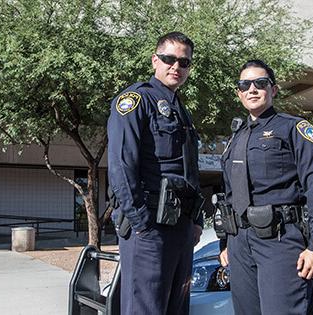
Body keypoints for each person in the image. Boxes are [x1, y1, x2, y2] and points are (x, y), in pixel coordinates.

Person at [217, 59, 313, 314]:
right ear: (239, 92)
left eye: (260, 83)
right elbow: (228, 194)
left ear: (274, 89)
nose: (252, 89)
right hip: (239, 244)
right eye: (245, 84)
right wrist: (225, 243)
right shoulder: (236, 137)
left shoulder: (293, 128)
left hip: (279, 240)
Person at [106, 31, 203, 315]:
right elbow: (121, 167)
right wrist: (141, 224)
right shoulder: (135, 101)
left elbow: (190, 170)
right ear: (155, 60)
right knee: (145, 309)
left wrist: (194, 221)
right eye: (168, 59)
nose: (176, 66)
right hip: (149, 227)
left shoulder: (180, 111)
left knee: (177, 308)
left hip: (180, 226)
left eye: (183, 62)